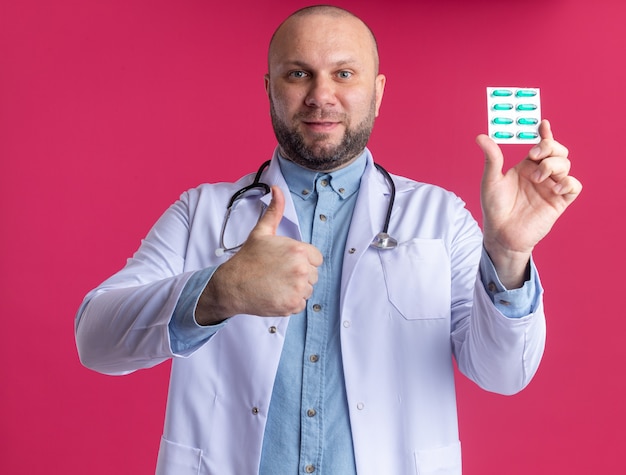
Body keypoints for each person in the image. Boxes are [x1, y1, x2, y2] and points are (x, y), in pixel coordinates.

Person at [75, 5, 582, 475]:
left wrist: (510, 251)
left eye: (344, 73)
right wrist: (220, 291)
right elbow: (95, 341)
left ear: (378, 91)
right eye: (298, 74)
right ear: (269, 87)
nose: (321, 95)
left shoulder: (441, 217)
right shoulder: (201, 213)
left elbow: (503, 373)